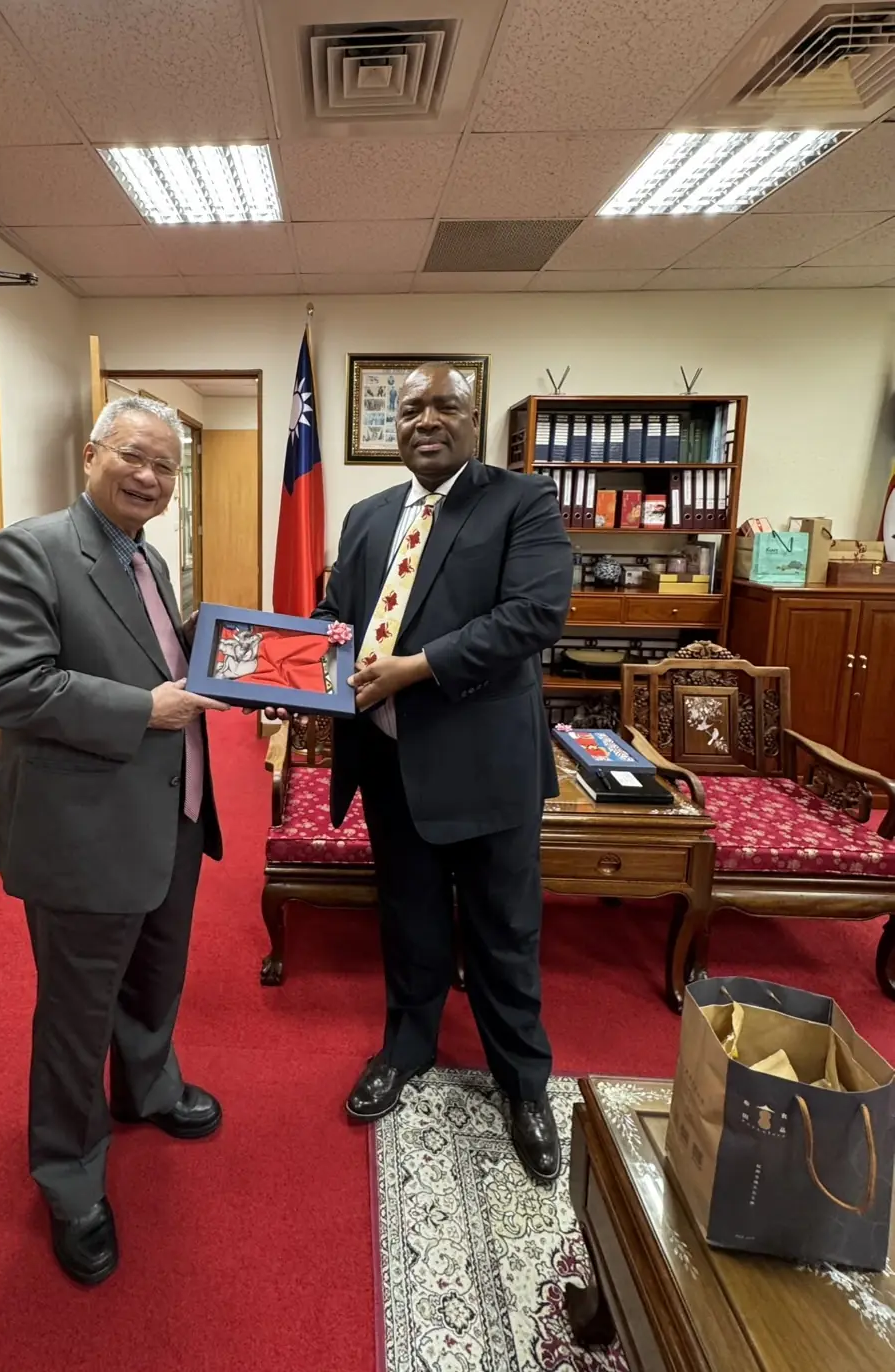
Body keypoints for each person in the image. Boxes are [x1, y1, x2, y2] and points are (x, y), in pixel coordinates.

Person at [0, 395, 228, 1285]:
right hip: (83, 832)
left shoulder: (145, 557)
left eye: (166, 466)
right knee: (77, 1015)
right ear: (91, 455)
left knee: (156, 976)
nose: (150, 477)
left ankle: (148, 1087)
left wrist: (243, 649)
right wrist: (142, 710)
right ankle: (70, 1179)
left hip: (173, 814)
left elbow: (153, 658)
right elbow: (8, 685)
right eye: (133, 457)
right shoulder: (31, 550)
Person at [317, 364, 572, 1182]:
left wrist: (415, 667)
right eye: (410, 409)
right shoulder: (367, 516)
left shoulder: (521, 502)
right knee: (410, 919)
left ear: (473, 418)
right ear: (394, 426)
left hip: (487, 766)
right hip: (390, 762)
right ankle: (407, 1047)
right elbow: (337, 618)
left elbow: (533, 615)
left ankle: (523, 1084)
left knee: (504, 931)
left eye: (445, 406)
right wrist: (296, 664)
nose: (426, 420)